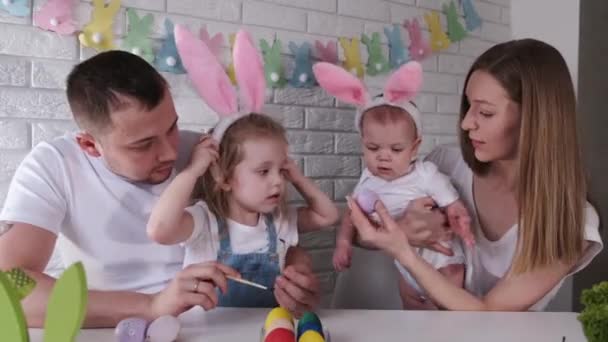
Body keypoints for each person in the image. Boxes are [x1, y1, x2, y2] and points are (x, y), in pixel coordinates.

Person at [0, 50, 320, 328]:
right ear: (89, 144)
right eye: (143, 145)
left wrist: (295, 268)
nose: (170, 152)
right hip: (115, 329)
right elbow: (9, 286)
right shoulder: (54, 166)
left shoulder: (205, 153)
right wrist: (150, 306)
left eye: (171, 127)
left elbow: (269, 228)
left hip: (223, 326)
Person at [347, 38, 604, 311]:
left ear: (533, 119)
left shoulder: (571, 220)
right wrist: (404, 231)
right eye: (468, 106)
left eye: (485, 112)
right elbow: (359, 234)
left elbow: (488, 313)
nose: (467, 122)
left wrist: (405, 253)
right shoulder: (444, 165)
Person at [311, 61, 473, 300]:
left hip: (441, 259)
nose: (383, 157)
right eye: (373, 147)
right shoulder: (367, 181)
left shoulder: (424, 173)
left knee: (444, 313)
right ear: (362, 143)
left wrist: (458, 214)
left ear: (415, 148)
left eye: (396, 149)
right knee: (409, 303)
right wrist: (343, 245)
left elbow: (451, 202)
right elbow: (351, 216)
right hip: (405, 264)